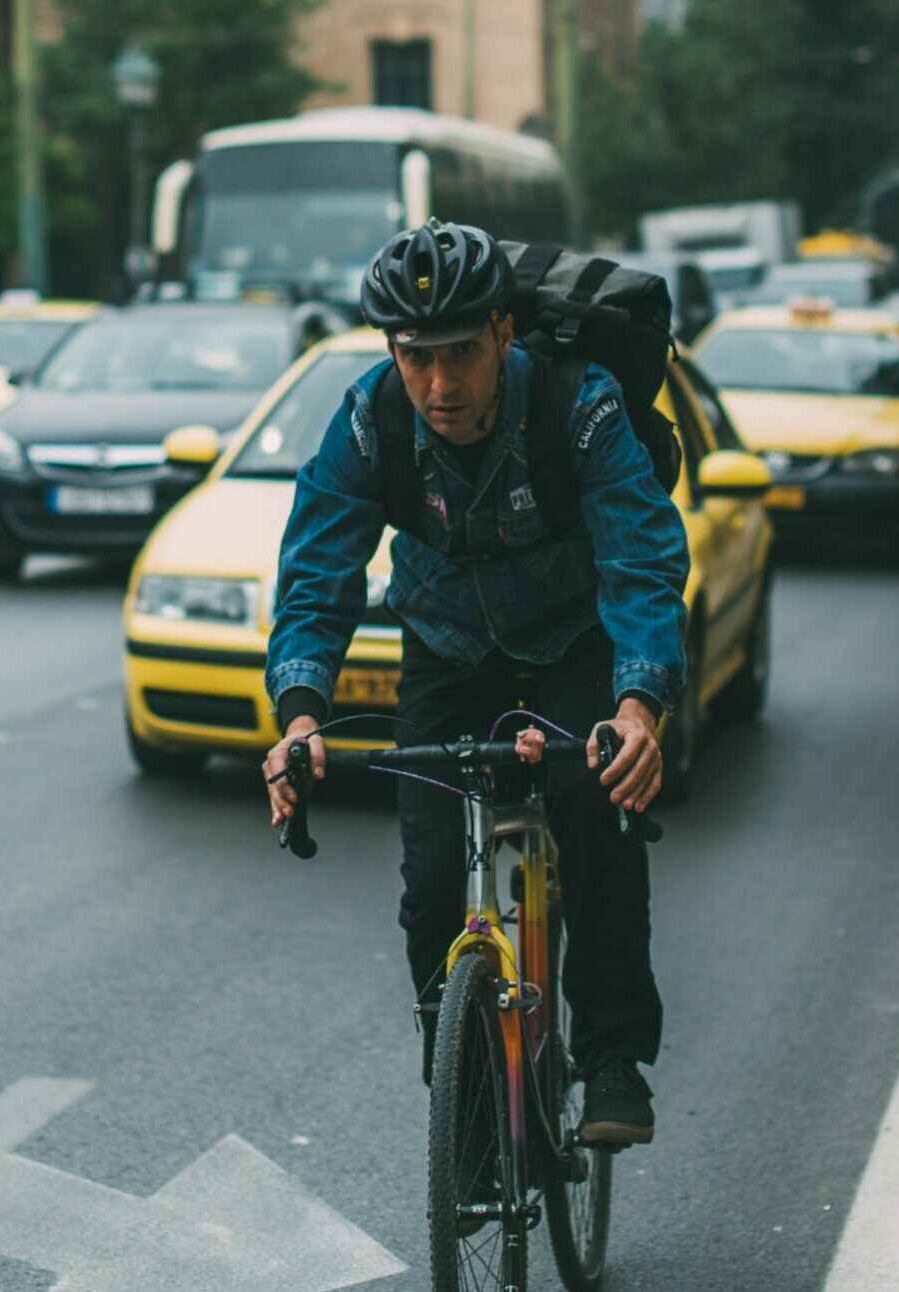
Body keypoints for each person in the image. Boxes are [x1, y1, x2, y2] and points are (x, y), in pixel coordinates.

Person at [260, 223, 690, 1146]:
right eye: (417, 359)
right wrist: (299, 718)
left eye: (461, 354)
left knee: (592, 795)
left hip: (575, 640)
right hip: (447, 649)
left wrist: (636, 705)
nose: (440, 386)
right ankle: (460, 1079)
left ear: (503, 333)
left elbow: (642, 559)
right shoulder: (372, 416)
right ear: (391, 351)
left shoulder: (581, 404)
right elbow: (316, 570)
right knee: (425, 888)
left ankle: (613, 1055)